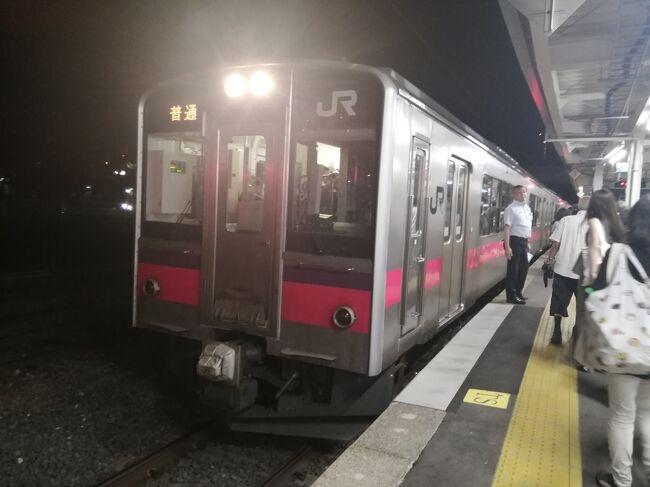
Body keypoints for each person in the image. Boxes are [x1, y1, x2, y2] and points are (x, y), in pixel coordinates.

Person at [594, 195, 650, 487]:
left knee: (622, 416)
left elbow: (596, 290)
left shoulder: (618, 253)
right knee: (648, 413)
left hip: (625, 348)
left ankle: (621, 480)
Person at [544, 196, 590, 345]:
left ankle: (557, 332)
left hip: (563, 270)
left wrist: (549, 260)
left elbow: (555, 245)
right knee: (582, 304)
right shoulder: (595, 223)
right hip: (584, 273)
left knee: (559, 301)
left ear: (578, 207)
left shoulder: (565, 220)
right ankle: (576, 333)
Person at [585, 189, 626, 285]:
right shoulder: (618, 223)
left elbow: (594, 247)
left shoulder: (594, 222)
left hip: (599, 275)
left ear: (593, 205)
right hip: (613, 274)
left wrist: (592, 276)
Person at [503, 185, 533, 304]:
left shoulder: (527, 208)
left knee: (523, 269)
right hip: (514, 241)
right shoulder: (511, 209)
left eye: (524, 192)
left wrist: (528, 242)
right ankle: (511, 296)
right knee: (513, 270)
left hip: (524, 242)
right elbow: (507, 228)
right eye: (520, 193)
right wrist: (507, 247)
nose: (523, 195)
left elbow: (527, 227)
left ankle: (518, 292)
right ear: (514, 194)